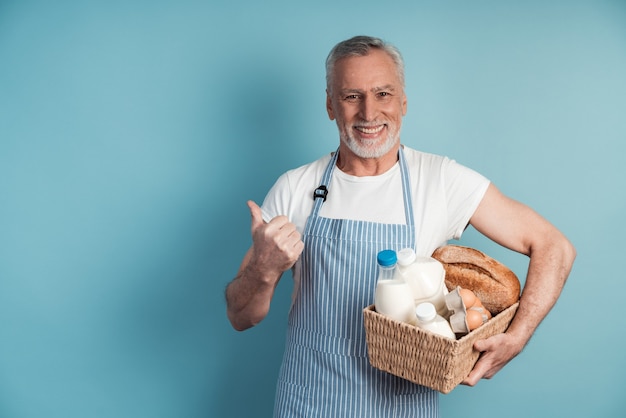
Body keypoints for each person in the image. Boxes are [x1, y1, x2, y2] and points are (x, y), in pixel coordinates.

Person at [225, 35, 576, 417]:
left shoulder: (440, 179)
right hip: (310, 402)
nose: (369, 113)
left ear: (403, 101)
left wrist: (517, 336)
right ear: (330, 104)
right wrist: (263, 269)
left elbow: (554, 246)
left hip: (402, 406)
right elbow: (241, 316)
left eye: (383, 94)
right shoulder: (296, 187)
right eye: (351, 96)